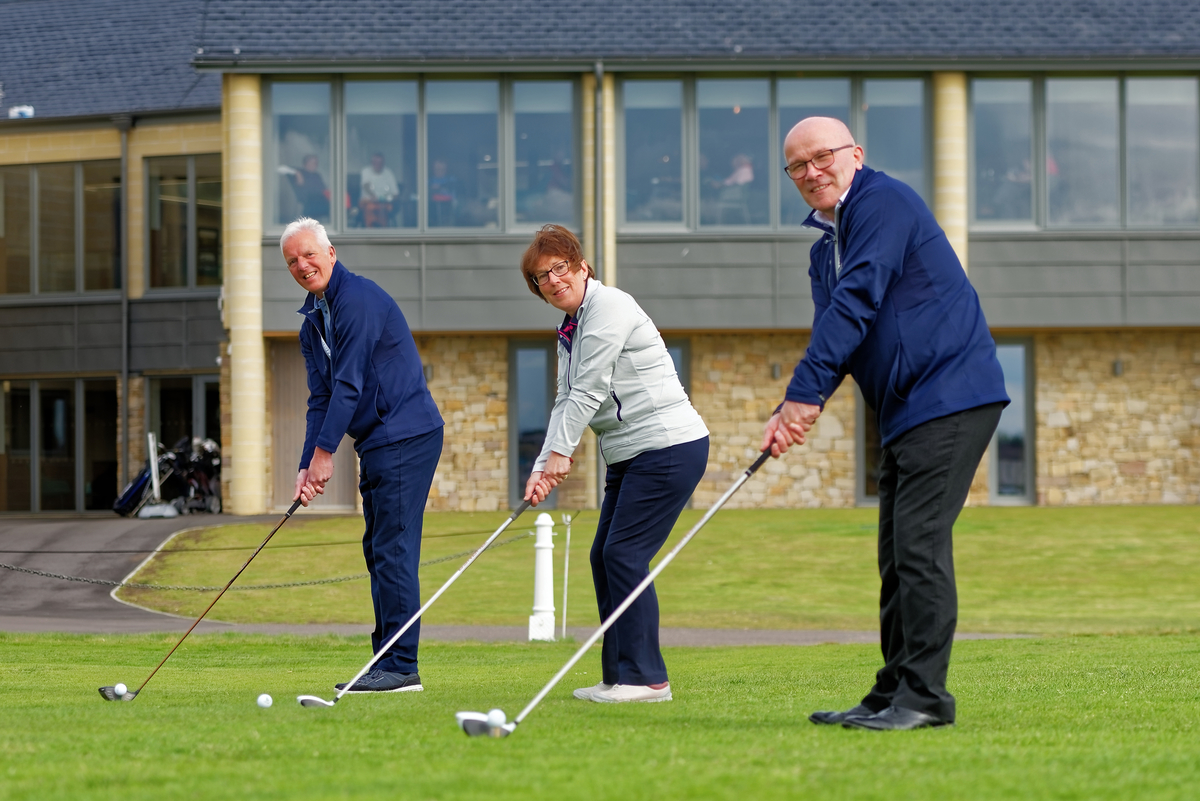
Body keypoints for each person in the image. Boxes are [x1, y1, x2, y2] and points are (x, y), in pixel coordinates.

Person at [765, 117, 1009, 731]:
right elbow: (838, 337)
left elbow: (859, 299)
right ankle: (893, 688)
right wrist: (795, 408)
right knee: (896, 556)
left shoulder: (884, 202)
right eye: (798, 166)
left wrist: (802, 394)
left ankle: (925, 699)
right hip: (904, 411)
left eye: (824, 157)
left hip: (951, 395)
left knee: (920, 549)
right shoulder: (826, 249)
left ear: (856, 154)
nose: (813, 171)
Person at [521, 224, 709, 704]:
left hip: (666, 446)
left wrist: (563, 454)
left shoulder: (609, 307)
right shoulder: (570, 327)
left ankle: (648, 680)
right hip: (629, 453)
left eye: (560, 268)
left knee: (624, 556)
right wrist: (543, 466)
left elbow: (589, 390)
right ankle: (618, 675)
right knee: (603, 557)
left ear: (582, 267)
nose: (554, 280)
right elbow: (565, 395)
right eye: (542, 277)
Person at [283, 217, 444, 694]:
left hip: (406, 434)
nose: (302, 265)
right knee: (378, 551)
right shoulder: (313, 323)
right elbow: (320, 399)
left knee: (393, 549)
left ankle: (400, 668)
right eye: (292, 260)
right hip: (378, 440)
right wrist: (305, 463)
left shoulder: (358, 300)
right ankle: (386, 660)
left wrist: (326, 454)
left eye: (309, 254)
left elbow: (349, 384)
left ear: (330, 252)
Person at [280, 155, 330, 221]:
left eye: (316, 163)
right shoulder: (300, 172)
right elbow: (280, 168)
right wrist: (296, 173)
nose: (316, 165)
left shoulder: (317, 175)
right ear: (307, 163)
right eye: (314, 163)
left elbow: (323, 189)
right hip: (309, 201)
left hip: (320, 199)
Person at [359, 152, 400, 227]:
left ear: (383, 163)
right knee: (371, 207)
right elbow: (366, 185)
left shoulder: (388, 173)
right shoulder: (366, 171)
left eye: (380, 163)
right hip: (368, 203)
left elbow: (395, 193)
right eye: (375, 163)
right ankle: (370, 230)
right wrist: (373, 195)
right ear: (372, 163)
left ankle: (382, 232)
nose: (378, 165)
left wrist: (388, 198)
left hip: (384, 204)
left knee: (384, 208)